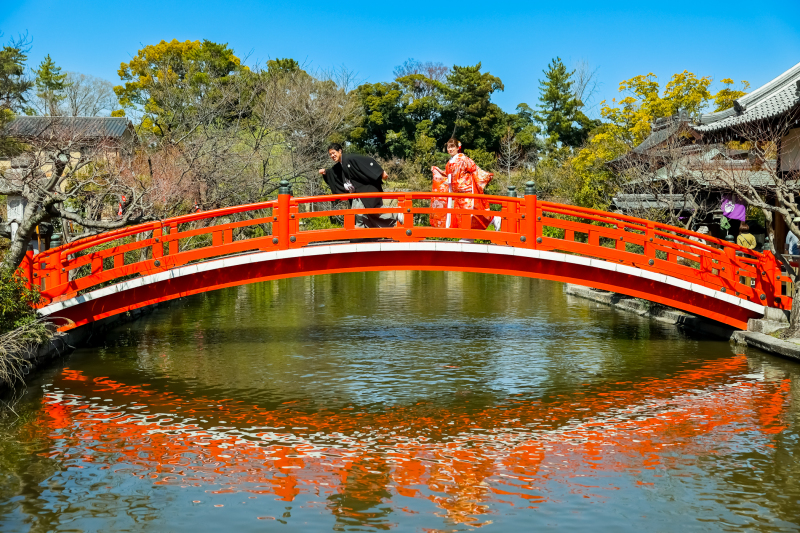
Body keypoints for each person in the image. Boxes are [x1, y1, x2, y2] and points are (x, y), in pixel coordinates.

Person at [318, 143, 399, 229]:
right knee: (363, 215)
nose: (332, 156)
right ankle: (366, 233)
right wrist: (326, 172)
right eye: (330, 154)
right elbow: (334, 172)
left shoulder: (350, 158)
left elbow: (367, 161)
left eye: (334, 153)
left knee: (367, 212)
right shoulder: (341, 164)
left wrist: (380, 172)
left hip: (367, 190)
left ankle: (396, 214)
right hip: (357, 194)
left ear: (340, 151)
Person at [430, 138, 500, 235]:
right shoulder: (448, 163)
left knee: (469, 213)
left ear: (458, 147)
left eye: (452, 147)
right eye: (448, 147)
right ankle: (490, 221)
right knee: (460, 215)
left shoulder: (463, 159)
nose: (450, 149)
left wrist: (483, 177)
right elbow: (446, 176)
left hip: (466, 190)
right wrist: (437, 171)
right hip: (457, 194)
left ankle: (488, 222)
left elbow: (474, 168)